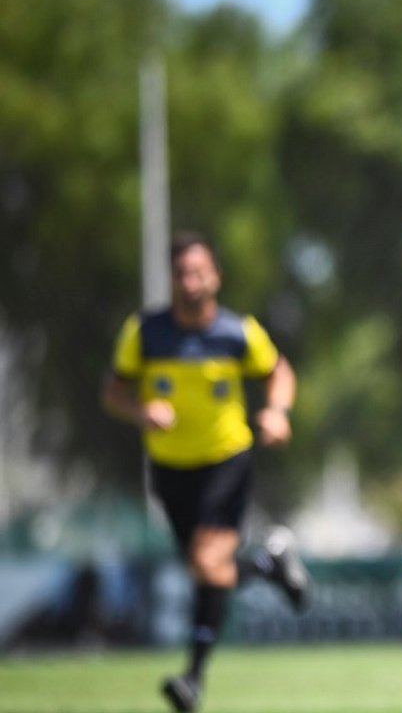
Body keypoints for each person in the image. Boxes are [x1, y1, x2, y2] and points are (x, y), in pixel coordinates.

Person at [103, 232, 310, 713]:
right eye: (181, 273)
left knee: (205, 561)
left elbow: (280, 371)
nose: (190, 282)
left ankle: (193, 679)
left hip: (226, 460)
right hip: (170, 469)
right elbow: (113, 390)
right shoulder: (146, 333)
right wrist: (140, 410)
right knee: (208, 570)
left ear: (215, 277)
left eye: (199, 272)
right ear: (171, 279)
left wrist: (277, 412)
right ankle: (267, 565)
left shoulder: (238, 332)